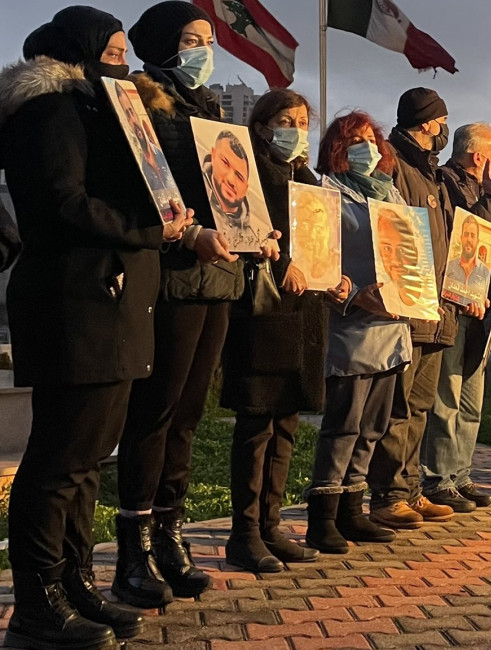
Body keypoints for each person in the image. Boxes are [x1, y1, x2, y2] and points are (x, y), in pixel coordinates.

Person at [0, 7, 190, 646]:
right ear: (79, 52)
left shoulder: (96, 112)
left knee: (87, 463)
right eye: (112, 53)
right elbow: (64, 203)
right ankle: (36, 604)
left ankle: (75, 581)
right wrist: (149, 226)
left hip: (113, 303)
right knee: (60, 459)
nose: (124, 63)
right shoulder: (49, 110)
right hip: (75, 304)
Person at [116, 0, 244, 608]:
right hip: (172, 277)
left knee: (189, 413)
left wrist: (251, 233)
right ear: (163, 44)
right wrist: (189, 234)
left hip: (218, 280)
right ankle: (133, 549)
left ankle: (171, 534)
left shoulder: (214, 112)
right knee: (156, 410)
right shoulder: (141, 104)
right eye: (192, 38)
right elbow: (145, 187)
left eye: (208, 39)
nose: (203, 50)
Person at [218, 89, 353, 572]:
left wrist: (335, 277)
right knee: (256, 425)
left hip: (306, 317)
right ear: (260, 125)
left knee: (287, 424)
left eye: (301, 120)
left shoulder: (311, 182)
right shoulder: (244, 172)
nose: (294, 128)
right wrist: (281, 261)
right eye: (284, 119)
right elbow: (235, 228)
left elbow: (324, 244)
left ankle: (272, 525)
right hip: (262, 312)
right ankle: (245, 533)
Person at [305, 110, 408, 552]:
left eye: (372, 140)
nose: (367, 148)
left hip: (392, 325)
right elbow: (316, 259)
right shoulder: (326, 192)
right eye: (355, 141)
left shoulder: (393, 195)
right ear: (338, 149)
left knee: (373, 426)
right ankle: (322, 517)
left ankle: (354, 510)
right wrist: (350, 296)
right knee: (343, 424)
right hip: (350, 325)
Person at [366, 87, 460, 529]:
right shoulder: (396, 167)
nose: (443, 130)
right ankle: (387, 495)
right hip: (408, 307)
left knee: (420, 405)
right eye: (441, 122)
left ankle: (411, 489)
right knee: (398, 406)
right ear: (427, 123)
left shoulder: (432, 173)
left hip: (436, 310)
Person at [420, 123, 491, 513]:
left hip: (481, 306)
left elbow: (489, 244)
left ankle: (461, 474)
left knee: (471, 399)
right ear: (481, 157)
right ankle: (438, 477)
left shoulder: (479, 190)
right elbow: (462, 238)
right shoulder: (446, 183)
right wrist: (490, 196)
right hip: (454, 304)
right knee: (446, 396)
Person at [444, 214, 491, 304]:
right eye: (466, 234)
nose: (469, 239)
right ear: (461, 238)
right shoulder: (448, 266)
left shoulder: (485, 272)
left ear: (477, 241)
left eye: (472, 235)